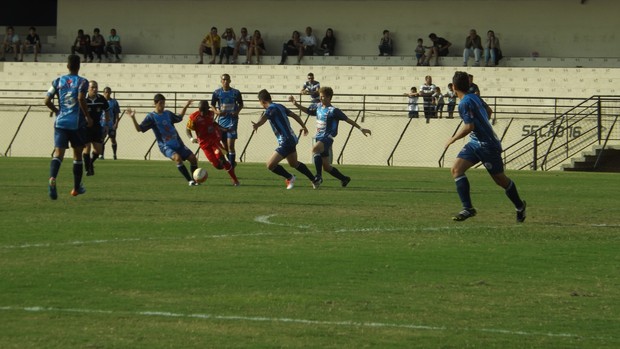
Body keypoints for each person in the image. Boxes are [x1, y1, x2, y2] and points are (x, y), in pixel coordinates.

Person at [444, 71, 526, 222]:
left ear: (453, 87)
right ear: (468, 85)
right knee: (456, 170)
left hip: (488, 145)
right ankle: (468, 208)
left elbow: (468, 126)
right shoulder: (474, 96)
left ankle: (520, 206)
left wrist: (453, 139)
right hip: (476, 143)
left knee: (500, 180)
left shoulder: (464, 103)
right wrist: (482, 125)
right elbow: (488, 111)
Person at [289, 86, 371, 188]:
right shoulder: (318, 107)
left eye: (323, 97)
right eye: (320, 96)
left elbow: (347, 119)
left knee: (315, 150)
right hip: (319, 137)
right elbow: (308, 111)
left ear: (329, 98)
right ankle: (344, 178)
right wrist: (296, 104)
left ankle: (318, 177)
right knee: (326, 167)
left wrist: (361, 128)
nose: (321, 98)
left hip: (327, 137)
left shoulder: (333, 110)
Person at [44, 54, 92, 199]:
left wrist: (57, 111)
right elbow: (80, 98)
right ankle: (77, 188)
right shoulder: (82, 82)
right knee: (77, 154)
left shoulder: (58, 81)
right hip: (75, 123)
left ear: (67, 66)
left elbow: (46, 100)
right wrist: (87, 116)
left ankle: (52, 178)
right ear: (79, 66)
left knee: (58, 154)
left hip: (60, 122)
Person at [127, 95, 199, 186]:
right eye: (161, 103)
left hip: (178, 144)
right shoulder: (151, 117)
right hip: (166, 146)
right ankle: (190, 181)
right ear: (155, 104)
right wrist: (133, 118)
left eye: (164, 103)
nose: (163, 105)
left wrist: (186, 105)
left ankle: (195, 180)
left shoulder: (167, 113)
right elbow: (139, 129)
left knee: (193, 158)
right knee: (177, 158)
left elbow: (179, 117)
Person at [252, 89, 317, 189]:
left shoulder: (270, 108)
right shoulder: (279, 106)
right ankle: (314, 179)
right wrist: (304, 126)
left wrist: (257, 124)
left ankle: (290, 177)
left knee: (270, 165)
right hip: (291, 139)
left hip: (285, 141)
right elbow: (295, 115)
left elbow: (264, 118)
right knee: (294, 163)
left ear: (262, 101)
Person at [185, 100, 240, 186]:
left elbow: (213, 123)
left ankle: (235, 180)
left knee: (222, 159)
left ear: (207, 108)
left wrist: (223, 128)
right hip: (204, 145)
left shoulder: (211, 114)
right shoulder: (194, 117)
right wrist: (191, 138)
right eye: (201, 110)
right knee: (218, 166)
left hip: (214, 141)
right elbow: (187, 129)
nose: (202, 112)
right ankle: (230, 165)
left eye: (204, 110)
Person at [211, 73, 244, 168]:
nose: (225, 81)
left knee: (230, 145)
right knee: (225, 147)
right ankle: (231, 162)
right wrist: (216, 112)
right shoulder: (217, 93)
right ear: (221, 81)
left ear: (230, 81)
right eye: (223, 80)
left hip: (232, 121)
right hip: (221, 122)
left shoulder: (236, 92)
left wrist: (237, 111)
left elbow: (241, 104)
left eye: (227, 80)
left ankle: (231, 166)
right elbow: (212, 105)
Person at [83, 80, 110, 176]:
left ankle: (90, 164)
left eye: (96, 87)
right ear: (88, 89)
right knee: (87, 147)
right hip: (85, 127)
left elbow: (107, 110)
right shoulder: (83, 99)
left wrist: (106, 124)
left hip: (97, 126)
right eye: (92, 87)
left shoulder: (101, 99)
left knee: (98, 150)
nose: (94, 89)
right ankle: (87, 169)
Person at [101, 86, 120, 160]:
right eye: (106, 92)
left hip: (111, 124)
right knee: (101, 139)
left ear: (110, 93)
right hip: (102, 123)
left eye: (108, 92)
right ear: (103, 93)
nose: (107, 94)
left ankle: (114, 155)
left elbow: (117, 114)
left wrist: (116, 123)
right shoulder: (101, 101)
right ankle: (101, 155)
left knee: (113, 139)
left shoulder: (114, 102)